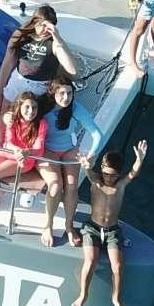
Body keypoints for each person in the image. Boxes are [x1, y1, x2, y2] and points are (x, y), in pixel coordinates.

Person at [73, 140, 148, 306]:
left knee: (118, 265)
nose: (109, 179)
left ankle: (116, 298)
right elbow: (89, 171)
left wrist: (140, 159)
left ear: (118, 175)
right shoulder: (96, 181)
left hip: (112, 231)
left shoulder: (120, 185)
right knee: (90, 261)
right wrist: (87, 164)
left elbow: (134, 173)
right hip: (92, 228)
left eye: (113, 176)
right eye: (106, 174)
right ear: (102, 169)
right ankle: (83, 294)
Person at [0, 91, 56, 213]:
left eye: (34, 107)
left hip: (24, 159)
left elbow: (39, 148)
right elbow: (8, 142)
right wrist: (17, 150)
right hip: (8, 152)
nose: (31, 111)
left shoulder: (41, 124)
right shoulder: (13, 120)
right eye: (27, 107)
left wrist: (26, 152)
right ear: (19, 107)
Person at [42, 76, 102, 248]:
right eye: (61, 93)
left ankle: (69, 226)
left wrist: (92, 154)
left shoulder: (76, 108)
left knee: (72, 186)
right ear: (52, 93)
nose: (66, 98)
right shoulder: (43, 107)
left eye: (69, 93)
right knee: (57, 186)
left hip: (69, 149)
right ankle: (48, 225)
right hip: (47, 150)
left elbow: (97, 134)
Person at [0, 4, 80, 102]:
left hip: (39, 87)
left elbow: (74, 72)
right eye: (43, 25)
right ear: (35, 22)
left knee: (30, 114)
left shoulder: (54, 43)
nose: (46, 30)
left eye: (50, 26)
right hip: (18, 80)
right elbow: (8, 63)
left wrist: (58, 39)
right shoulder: (22, 36)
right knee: (5, 113)